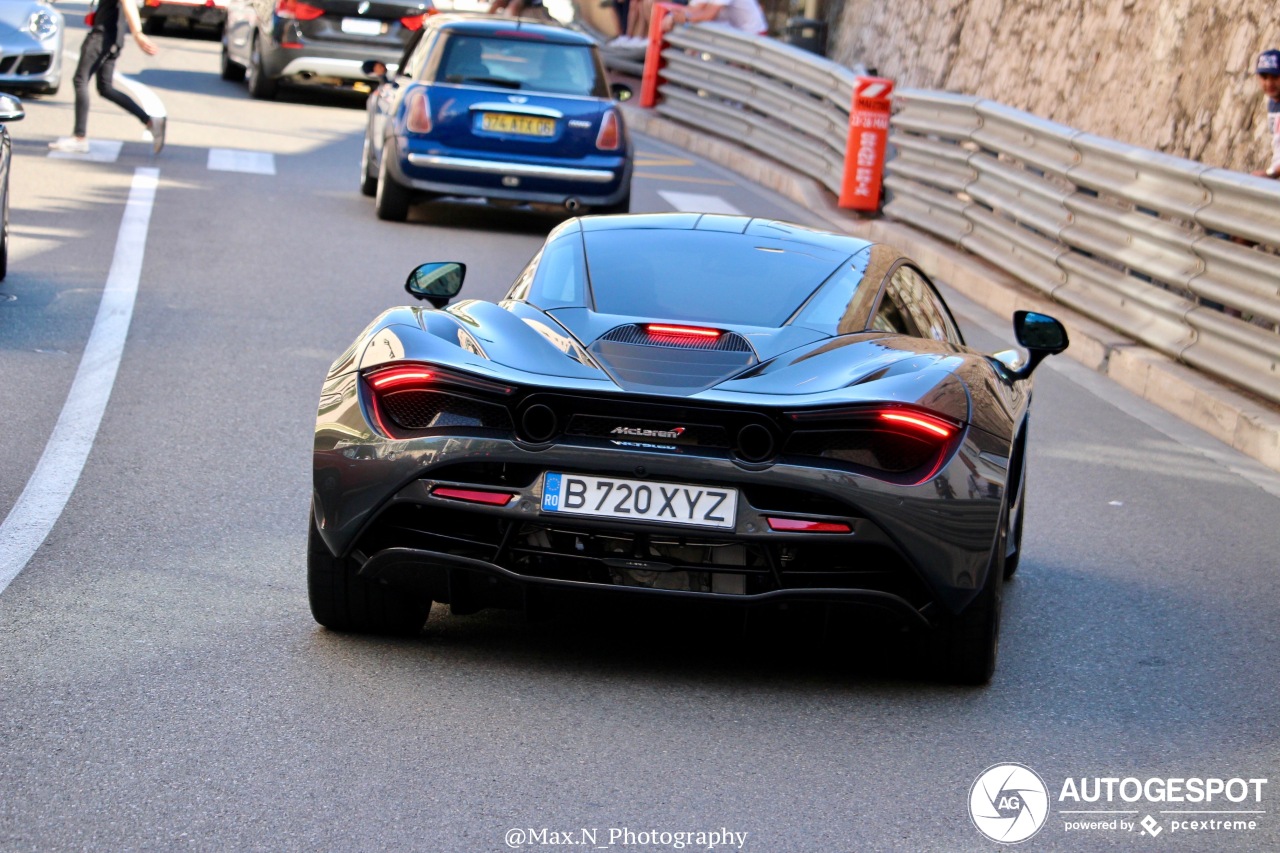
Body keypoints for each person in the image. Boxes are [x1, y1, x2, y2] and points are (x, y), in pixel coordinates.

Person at [48, 0, 164, 155]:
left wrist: (138, 33)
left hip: (101, 36)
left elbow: (128, 2)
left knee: (80, 80)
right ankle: (150, 121)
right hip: (113, 37)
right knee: (105, 88)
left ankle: (79, 138)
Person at [1253, 49, 1280, 180]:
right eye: (1264, 77)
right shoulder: (1273, 103)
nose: (1269, 83)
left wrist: (1271, 173)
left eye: (1275, 77)